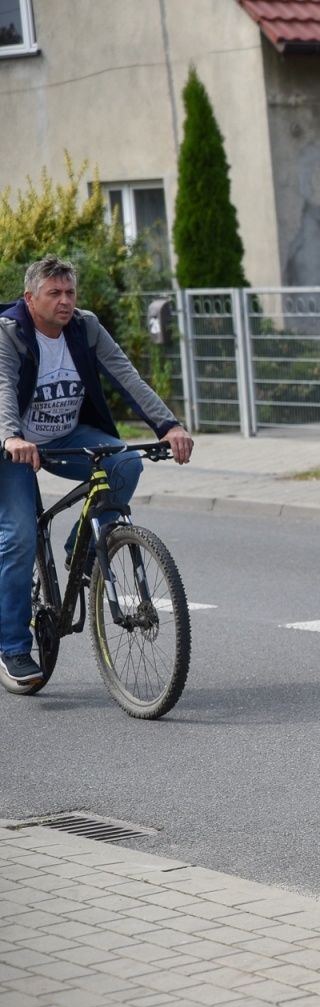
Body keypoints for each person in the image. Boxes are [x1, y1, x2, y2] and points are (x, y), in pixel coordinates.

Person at [0, 255, 194, 687]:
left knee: (123, 459)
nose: (65, 301)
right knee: (19, 535)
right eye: (54, 294)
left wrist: (169, 425)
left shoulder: (85, 328)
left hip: (66, 435)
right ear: (30, 298)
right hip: (11, 446)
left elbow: (128, 377)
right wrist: (12, 437)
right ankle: (13, 647)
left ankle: (86, 547)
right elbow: (2, 388)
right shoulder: (10, 333)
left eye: (70, 292)